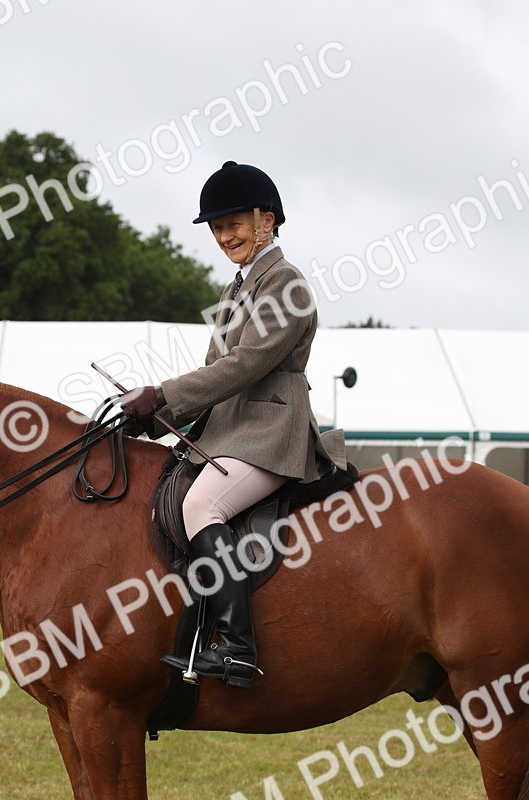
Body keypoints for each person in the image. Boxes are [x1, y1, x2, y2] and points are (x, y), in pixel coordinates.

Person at [120, 160, 346, 689]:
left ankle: (237, 649)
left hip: (270, 433)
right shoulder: (235, 289)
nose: (225, 237)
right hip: (230, 430)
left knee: (203, 505)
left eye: (234, 224)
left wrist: (163, 394)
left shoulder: (286, 284)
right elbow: (213, 372)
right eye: (218, 228)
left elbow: (244, 366)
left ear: (267, 220)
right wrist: (159, 416)